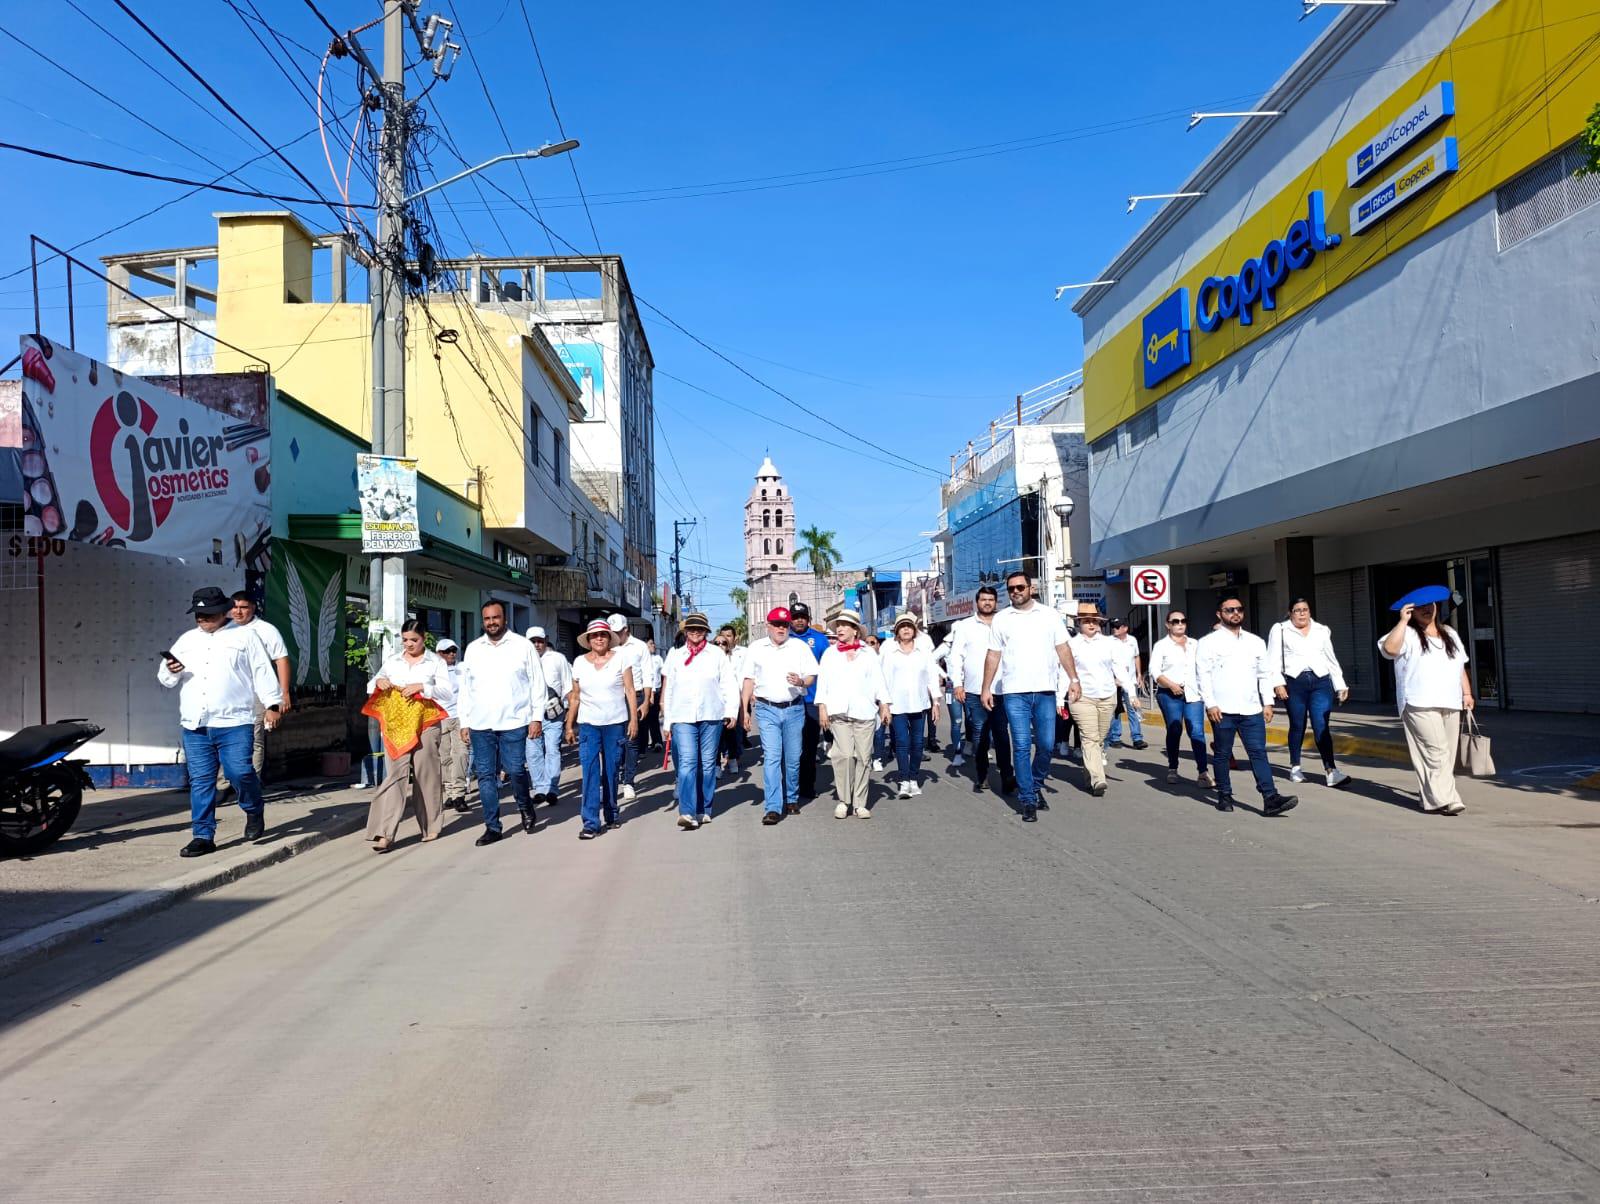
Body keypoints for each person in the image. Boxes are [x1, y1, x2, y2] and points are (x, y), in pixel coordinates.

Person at [158, 586, 283, 857]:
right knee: (201, 781)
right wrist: (170, 670)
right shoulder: (187, 640)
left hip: (235, 720)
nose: (203, 618)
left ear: (224, 611)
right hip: (195, 723)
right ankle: (202, 835)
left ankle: (253, 808)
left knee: (239, 772)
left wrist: (273, 704)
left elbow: (263, 670)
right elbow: (166, 679)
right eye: (199, 614)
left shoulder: (245, 636)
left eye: (208, 613)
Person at [980, 572, 1080, 823]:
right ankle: (1027, 799)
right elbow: (993, 655)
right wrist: (986, 688)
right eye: (1011, 588)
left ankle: (1035, 785)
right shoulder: (1002, 619)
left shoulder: (1049, 615)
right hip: (1014, 693)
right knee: (1022, 745)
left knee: (1046, 745)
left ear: (1031, 588)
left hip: (1045, 691)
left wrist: (1074, 680)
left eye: (1020, 587)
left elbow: (1063, 648)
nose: (1016, 592)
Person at [1196, 595, 1298, 816]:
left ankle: (1270, 798)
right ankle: (1224, 795)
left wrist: (1268, 703)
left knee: (1258, 753)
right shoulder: (1207, 643)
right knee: (1223, 754)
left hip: (1252, 709)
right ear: (1219, 614)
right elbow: (1202, 676)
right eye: (1229, 609)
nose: (1235, 613)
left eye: (1239, 609)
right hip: (1222, 710)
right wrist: (1211, 704)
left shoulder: (1255, 642)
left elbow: (1264, 674)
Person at [457, 600, 547, 846]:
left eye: (495, 618)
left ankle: (525, 806)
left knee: (516, 769)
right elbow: (465, 689)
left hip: (514, 721)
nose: (491, 623)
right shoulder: (474, 649)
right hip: (480, 724)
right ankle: (493, 827)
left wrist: (536, 717)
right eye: (487, 619)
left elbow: (537, 683)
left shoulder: (522, 646)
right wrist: (464, 721)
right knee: (485, 776)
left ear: (504, 619)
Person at [1379, 595, 1472, 815]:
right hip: (1418, 702)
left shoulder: (1449, 633)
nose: (1426, 610)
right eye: (1419, 607)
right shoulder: (1407, 634)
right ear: (1411, 611)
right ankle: (1449, 800)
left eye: (1429, 605)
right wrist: (1402, 621)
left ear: (1436, 607)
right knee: (1436, 751)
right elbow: (1390, 650)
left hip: (1449, 701)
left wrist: (1466, 692)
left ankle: (1429, 796)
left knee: (1445, 754)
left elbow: (1459, 665)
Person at [365, 620, 453, 852]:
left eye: (414, 640)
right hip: (397, 726)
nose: (409, 644)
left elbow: (447, 691)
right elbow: (370, 684)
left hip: (425, 723)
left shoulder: (435, 661)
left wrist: (422, 687)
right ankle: (384, 833)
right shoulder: (394, 661)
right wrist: (379, 681)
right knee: (395, 775)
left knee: (427, 775)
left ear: (424, 638)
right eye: (405, 640)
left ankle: (431, 825)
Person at [742, 606, 820, 825]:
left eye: (784, 625)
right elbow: (748, 680)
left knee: (793, 758)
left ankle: (792, 798)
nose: (781, 628)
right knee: (773, 757)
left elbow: (812, 675)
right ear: (768, 625)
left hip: (794, 708)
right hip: (767, 709)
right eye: (776, 624)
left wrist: (801, 682)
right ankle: (773, 807)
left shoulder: (799, 647)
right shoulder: (756, 648)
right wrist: (744, 711)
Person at [660, 612, 738, 829]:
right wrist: (667, 722)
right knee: (686, 763)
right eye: (691, 629)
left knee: (706, 764)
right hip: (682, 716)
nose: (695, 633)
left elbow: (729, 684)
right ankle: (687, 811)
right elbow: (669, 690)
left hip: (711, 716)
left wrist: (732, 711)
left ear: (706, 632)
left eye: (700, 629)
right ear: (685, 632)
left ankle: (704, 808)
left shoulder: (716, 654)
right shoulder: (675, 655)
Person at [566, 619, 639, 838]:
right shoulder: (579, 662)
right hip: (588, 725)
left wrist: (633, 719)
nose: (599, 638)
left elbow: (629, 690)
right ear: (588, 640)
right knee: (589, 772)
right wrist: (570, 725)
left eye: (603, 635)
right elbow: (575, 696)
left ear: (610, 638)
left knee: (610, 770)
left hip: (615, 723)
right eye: (595, 635)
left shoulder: (621, 659)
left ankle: (611, 812)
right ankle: (590, 822)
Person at [1267, 598, 1352, 787]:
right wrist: (1277, 683)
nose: (1302, 613)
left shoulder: (1321, 630)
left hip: (1320, 681)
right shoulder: (1280, 629)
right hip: (1294, 682)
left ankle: (1331, 770)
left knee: (1321, 724)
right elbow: (1272, 659)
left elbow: (1330, 658)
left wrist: (1340, 684)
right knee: (1298, 724)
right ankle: (1295, 767)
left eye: (1305, 609)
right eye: (1297, 610)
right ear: (1290, 613)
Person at [816, 609, 890, 819]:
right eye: (838, 625)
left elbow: (879, 681)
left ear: (855, 630)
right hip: (838, 712)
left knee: (864, 757)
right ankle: (843, 800)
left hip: (864, 712)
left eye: (844, 625)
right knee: (845, 755)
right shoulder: (830, 654)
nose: (839, 628)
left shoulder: (868, 654)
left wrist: (884, 704)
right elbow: (823, 683)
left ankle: (859, 802)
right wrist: (822, 707)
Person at [947, 586, 1016, 795]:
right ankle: (982, 775)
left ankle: (1006, 776)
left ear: (996, 602)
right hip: (974, 691)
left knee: (1002, 735)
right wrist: (958, 684)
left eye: (991, 600)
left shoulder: (1004, 624)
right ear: (977, 602)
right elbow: (955, 657)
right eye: (983, 599)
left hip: (1001, 690)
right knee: (980, 735)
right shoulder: (965, 626)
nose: (987, 603)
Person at [1065, 602, 1132, 797]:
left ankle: (1089, 775)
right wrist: (1059, 699)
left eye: (1094, 621)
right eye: (1086, 621)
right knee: (1089, 738)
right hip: (1081, 697)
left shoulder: (1110, 643)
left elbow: (1119, 668)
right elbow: (1063, 672)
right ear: (1079, 624)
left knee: (1099, 739)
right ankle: (1097, 779)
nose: (1091, 625)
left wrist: (1132, 693)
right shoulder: (1072, 645)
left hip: (1107, 695)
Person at [226, 590, 291, 777]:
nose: (238, 612)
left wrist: (283, 694)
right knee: (225, 737)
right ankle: (224, 783)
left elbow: (282, 660)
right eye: (234, 607)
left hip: (257, 692)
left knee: (254, 738)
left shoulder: (266, 630)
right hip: (229, 693)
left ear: (253, 608)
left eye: (243, 607)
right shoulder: (225, 629)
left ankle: (252, 782)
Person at [881, 612, 942, 798]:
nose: (906, 629)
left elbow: (932, 677)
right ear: (897, 632)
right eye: (902, 627)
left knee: (917, 743)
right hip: (897, 706)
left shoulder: (923, 652)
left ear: (914, 630)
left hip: (919, 704)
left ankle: (914, 778)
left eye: (909, 626)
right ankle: (904, 779)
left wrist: (936, 702)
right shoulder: (889, 651)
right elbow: (882, 679)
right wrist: (883, 704)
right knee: (901, 742)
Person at [1148, 611, 1211, 786]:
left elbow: (1205, 667)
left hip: (1193, 693)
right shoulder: (1161, 646)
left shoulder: (1195, 644)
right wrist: (1171, 685)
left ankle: (1203, 773)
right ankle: (1173, 768)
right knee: (1175, 729)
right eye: (1175, 621)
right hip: (1169, 693)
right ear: (1168, 624)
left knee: (1197, 731)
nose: (1180, 624)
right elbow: (1155, 671)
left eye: (1183, 620)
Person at [606, 615, 653, 803]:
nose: (615, 636)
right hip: (614, 697)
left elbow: (648, 674)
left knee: (632, 739)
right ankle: (613, 776)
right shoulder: (608, 647)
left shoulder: (640, 647)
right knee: (615, 740)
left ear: (626, 630)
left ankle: (629, 781)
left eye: (618, 632)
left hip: (637, 695)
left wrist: (647, 701)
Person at [787, 602, 831, 799]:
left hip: (812, 701)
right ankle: (789, 786)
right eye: (795, 617)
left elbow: (829, 669)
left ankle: (807, 785)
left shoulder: (819, 640)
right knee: (790, 747)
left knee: (809, 746)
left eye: (802, 617)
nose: (799, 620)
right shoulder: (783, 637)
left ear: (808, 619)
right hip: (789, 701)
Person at [526, 627, 573, 806]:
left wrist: (570, 713)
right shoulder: (523, 660)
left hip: (554, 714)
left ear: (546, 640)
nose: (537, 644)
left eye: (540, 640)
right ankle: (540, 788)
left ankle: (552, 788)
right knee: (533, 752)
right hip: (530, 715)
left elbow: (568, 687)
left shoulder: (558, 659)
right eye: (533, 641)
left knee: (552, 750)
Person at [435, 639, 476, 814]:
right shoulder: (433, 671)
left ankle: (459, 794)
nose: (451, 654)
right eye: (447, 651)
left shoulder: (463, 669)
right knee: (444, 757)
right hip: (440, 717)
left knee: (461, 754)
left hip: (460, 718)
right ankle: (450, 794)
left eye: (454, 650)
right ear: (439, 653)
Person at [1103, 617, 1147, 751]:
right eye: (1113, 627)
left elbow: (1136, 656)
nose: (1114, 629)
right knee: (1116, 710)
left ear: (1125, 628)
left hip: (1130, 679)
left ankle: (1137, 738)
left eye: (1117, 627)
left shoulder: (1132, 640)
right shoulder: (1108, 641)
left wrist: (1139, 674)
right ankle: (1115, 737)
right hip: (1114, 681)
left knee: (1133, 708)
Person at [714, 625, 748, 777]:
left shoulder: (736, 657)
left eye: (724, 642)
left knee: (732, 733)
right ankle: (716, 765)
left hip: (733, 702)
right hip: (714, 705)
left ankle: (733, 758)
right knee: (715, 737)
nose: (721, 644)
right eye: (717, 643)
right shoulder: (709, 659)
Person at [641, 637, 666, 751]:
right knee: (643, 718)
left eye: (653, 643)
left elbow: (663, 674)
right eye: (651, 643)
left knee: (654, 718)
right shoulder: (640, 659)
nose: (653, 646)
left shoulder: (658, 658)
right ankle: (643, 744)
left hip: (657, 691)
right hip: (644, 692)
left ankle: (657, 742)